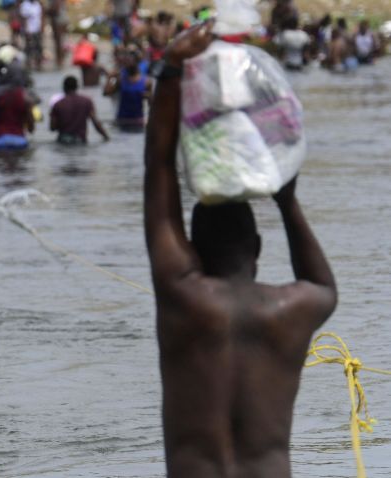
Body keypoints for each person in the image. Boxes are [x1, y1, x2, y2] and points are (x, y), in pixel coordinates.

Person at [144, 22, 337, 477]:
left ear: (192, 247)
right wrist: (285, 196)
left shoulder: (183, 296)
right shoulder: (296, 308)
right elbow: (323, 285)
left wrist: (171, 70)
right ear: (257, 247)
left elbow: (159, 169)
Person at [50, 75, 109, 144]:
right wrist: (106, 137)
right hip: (80, 140)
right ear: (76, 87)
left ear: (64, 87)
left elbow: (52, 128)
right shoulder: (86, 101)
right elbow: (95, 122)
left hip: (63, 140)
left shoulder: (58, 104)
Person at [104, 60, 151, 132]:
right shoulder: (121, 81)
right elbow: (106, 93)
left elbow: (151, 103)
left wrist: (147, 95)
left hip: (138, 121)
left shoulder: (146, 82)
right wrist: (109, 78)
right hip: (122, 120)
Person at [19, 0, 43, 71]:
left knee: (38, 47)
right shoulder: (25, 4)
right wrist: (27, 30)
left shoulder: (37, 4)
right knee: (29, 47)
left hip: (37, 29)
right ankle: (28, 64)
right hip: (29, 30)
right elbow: (24, 19)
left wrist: (41, 28)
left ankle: (38, 64)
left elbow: (40, 16)